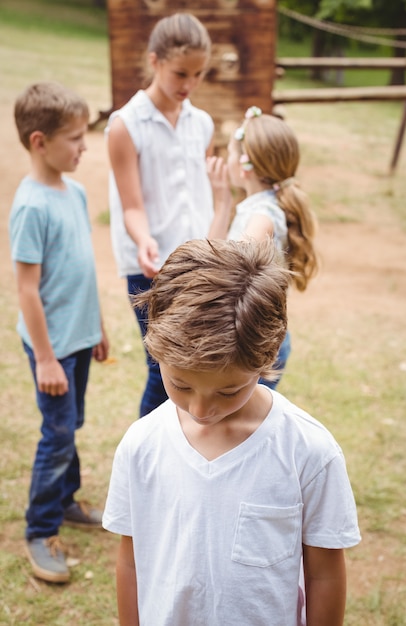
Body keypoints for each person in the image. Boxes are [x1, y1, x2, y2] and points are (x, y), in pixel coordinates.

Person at [103, 238, 361, 626]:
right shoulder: (141, 446)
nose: (201, 409)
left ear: (269, 356)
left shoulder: (309, 451)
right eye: (181, 384)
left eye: (229, 391)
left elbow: (324, 572)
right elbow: (131, 560)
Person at [9, 81, 109, 584]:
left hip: (78, 335)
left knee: (72, 423)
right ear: (38, 141)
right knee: (58, 431)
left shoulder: (77, 192)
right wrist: (46, 359)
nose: (84, 147)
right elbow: (28, 290)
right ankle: (40, 528)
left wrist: (98, 327)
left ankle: (66, 502)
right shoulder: (31, 207)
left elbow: (83, 267)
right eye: (74, 138)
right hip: (51, 346)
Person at [107, 12, 217, 417]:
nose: (189, 85)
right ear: (154, 61)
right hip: (151, 266)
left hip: (201, 263)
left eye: (199, 74)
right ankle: (145, 460)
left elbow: (201, 192)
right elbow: (132, 205)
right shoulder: (125, 126)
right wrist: (144, 240)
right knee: (163, 369)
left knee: (201, 365)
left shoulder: (201, 124)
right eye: (180, 74)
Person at [207, 106, 318, 387]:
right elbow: (213, 254)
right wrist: (222, 201)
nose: (226, 159)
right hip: (255, 338)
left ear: (245, 165)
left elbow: (226, 270)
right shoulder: (258, 207)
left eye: (231, 153)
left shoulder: (262, 218)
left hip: (255, 346)